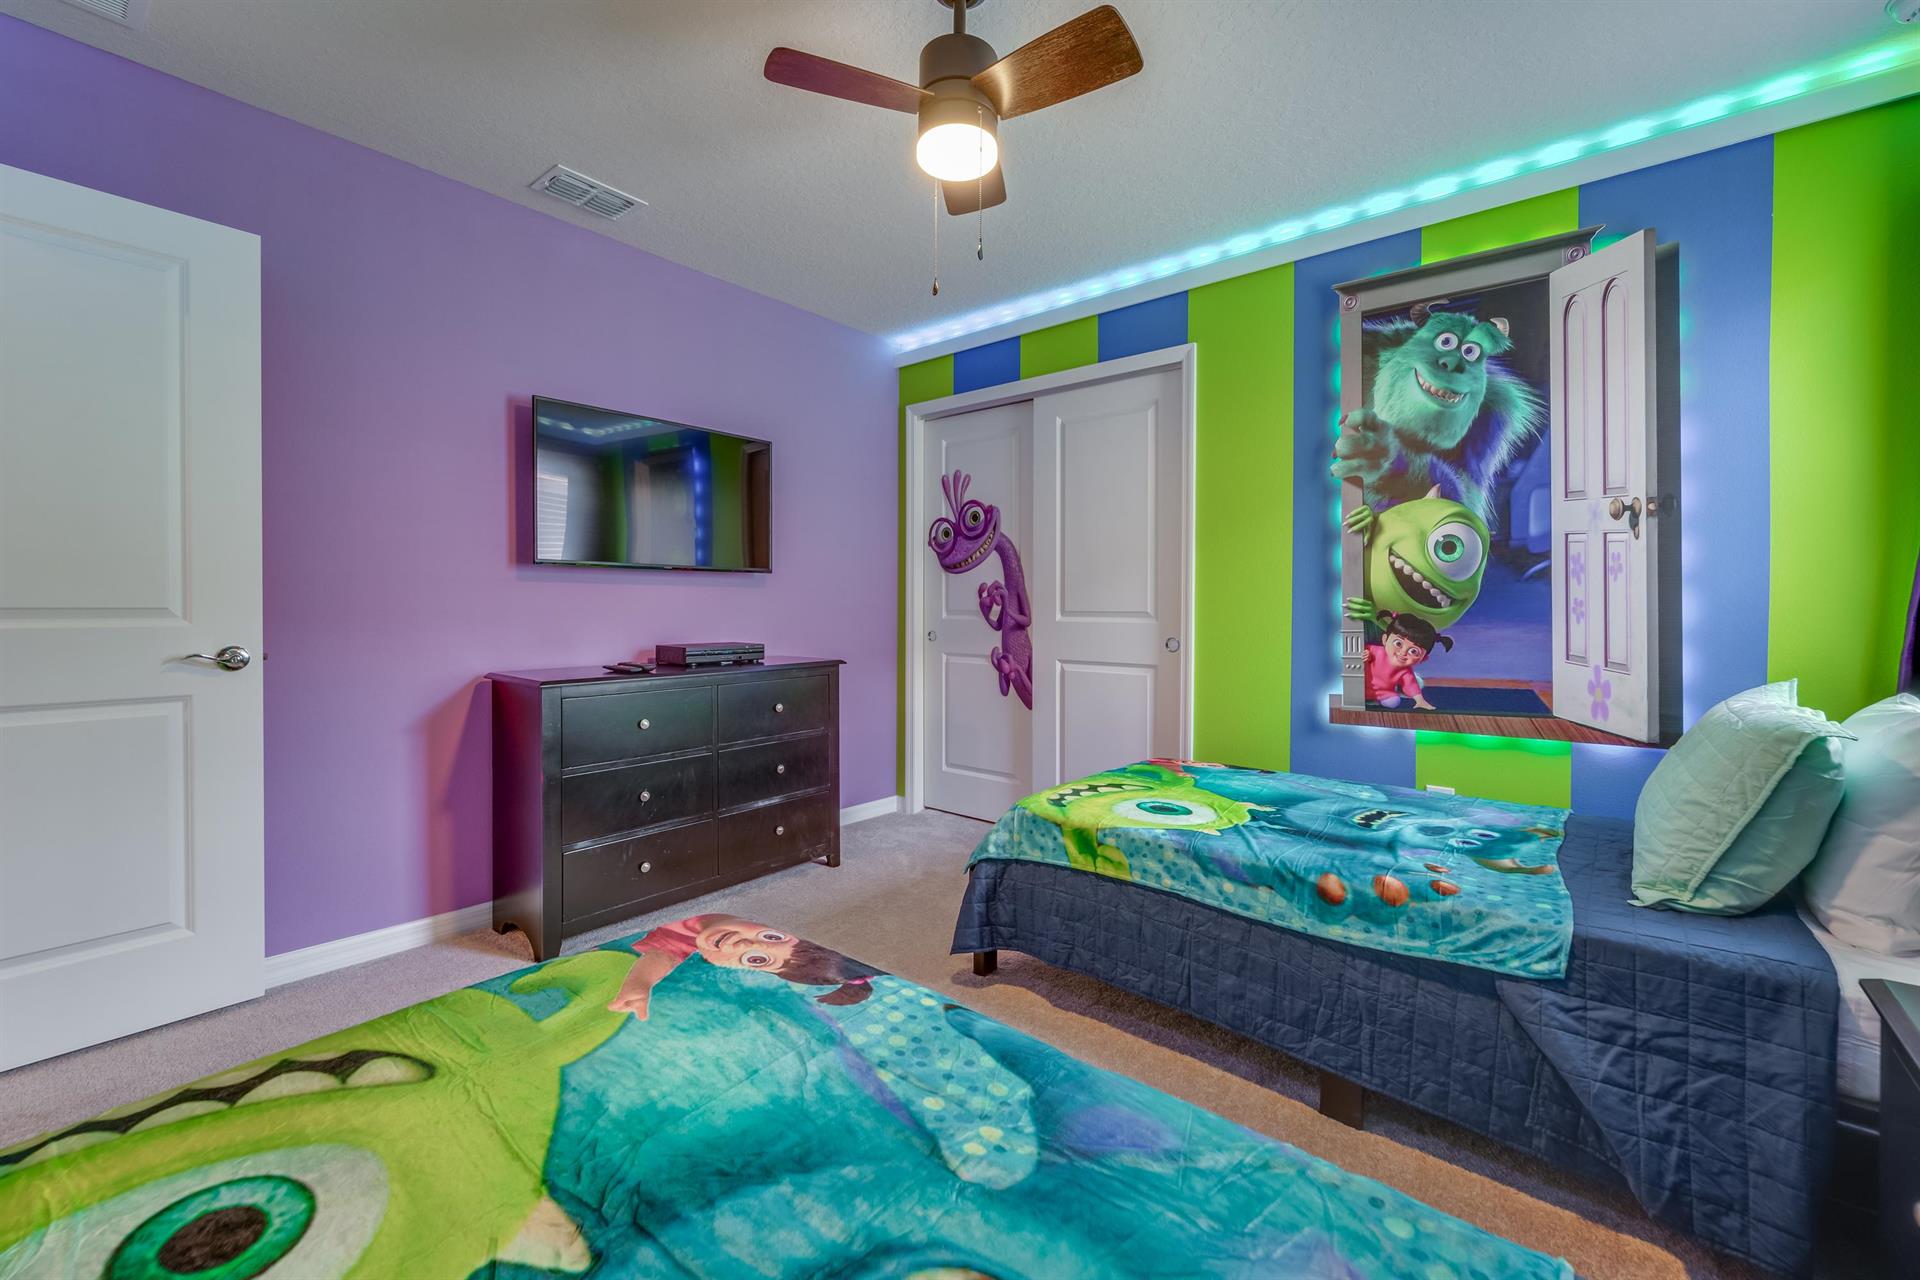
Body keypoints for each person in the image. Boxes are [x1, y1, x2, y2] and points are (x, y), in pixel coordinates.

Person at [609, 913, 878, 1019]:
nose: (744, 945)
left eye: (757, 960)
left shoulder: (689, 938)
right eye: (772, 937)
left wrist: (641, 982)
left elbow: (665, 953)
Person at [1364, 611, 1453, 711]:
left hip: (1383, 693)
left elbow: (1411, 685)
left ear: (1423, 658)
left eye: (1413, 651)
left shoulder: (1405, 671)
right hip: (1362, 686)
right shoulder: (1376, 651)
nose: (1403, 653)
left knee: (1394, 702)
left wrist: (1420, 700)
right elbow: (1361, 650)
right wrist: (1366, 654)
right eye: (1398, 644)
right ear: (1385, 640)